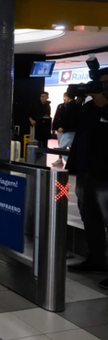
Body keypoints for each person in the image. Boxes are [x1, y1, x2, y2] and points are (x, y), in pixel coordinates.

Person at [66, 69, 108, 290]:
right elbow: (68, 122)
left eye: (104, 84)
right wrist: (77, 100)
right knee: (89, 216)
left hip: (105, 173)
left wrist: (103, 104)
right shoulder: (89, 107)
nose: (100, 88)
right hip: (85, 170)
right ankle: (97, 259)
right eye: (98, 84)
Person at [52, 92, 77, 166]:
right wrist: (55, 127)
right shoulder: (61, 106)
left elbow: (70, 119)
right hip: (61, 129)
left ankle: (71, 162)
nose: (65, 99)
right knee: (61, 145)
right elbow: (57, 117)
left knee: (64, 146)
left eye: (66, 97)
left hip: (69, 130)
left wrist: (64, 127)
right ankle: (62, 160)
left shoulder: (74, 106)